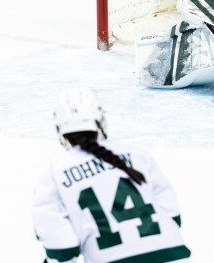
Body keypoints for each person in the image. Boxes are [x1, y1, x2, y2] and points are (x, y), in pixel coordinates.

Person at [32, 87, 190, 263]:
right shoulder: (137, 154)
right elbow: (172, 214)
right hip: (172, 256)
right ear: (100, 120)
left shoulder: (56, 172)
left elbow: (61, 247)